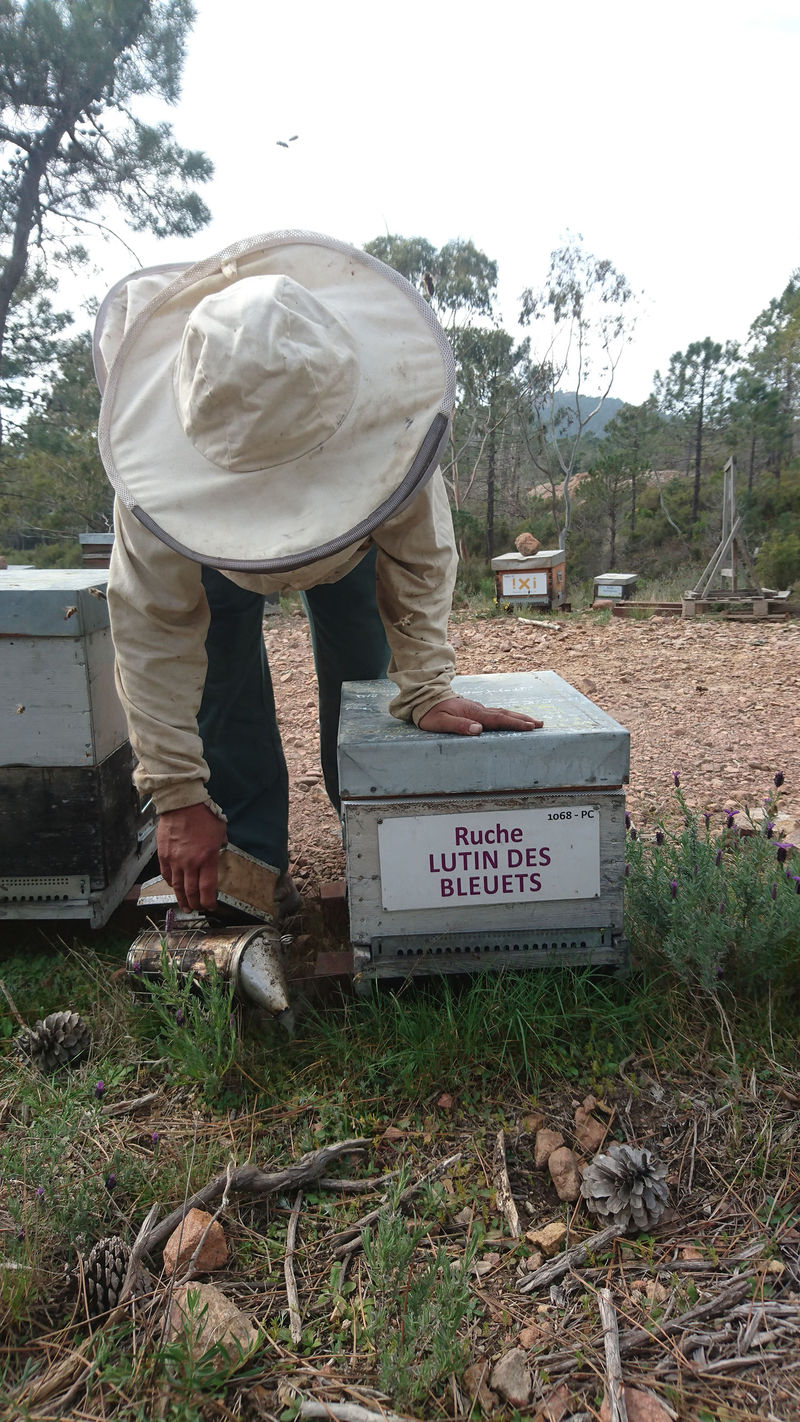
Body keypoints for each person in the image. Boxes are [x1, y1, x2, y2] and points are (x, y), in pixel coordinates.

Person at [93, 231, 542, 919]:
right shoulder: (157, 490)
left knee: (365, 677)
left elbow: (421, 560)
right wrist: (177, 792)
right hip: (210, 556)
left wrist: (425, 683)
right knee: (219, 685)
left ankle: (367, 827)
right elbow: (151, 629)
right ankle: (248, 866)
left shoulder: (392, 423)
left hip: (353, 547)